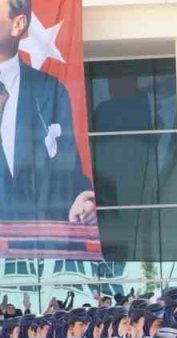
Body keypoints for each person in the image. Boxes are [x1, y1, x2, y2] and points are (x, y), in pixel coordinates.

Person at [0, 0, 96, 226]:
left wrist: (83, 199)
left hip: (37, 243)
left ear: (18, 23)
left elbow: (68, 168)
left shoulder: (50, 92)